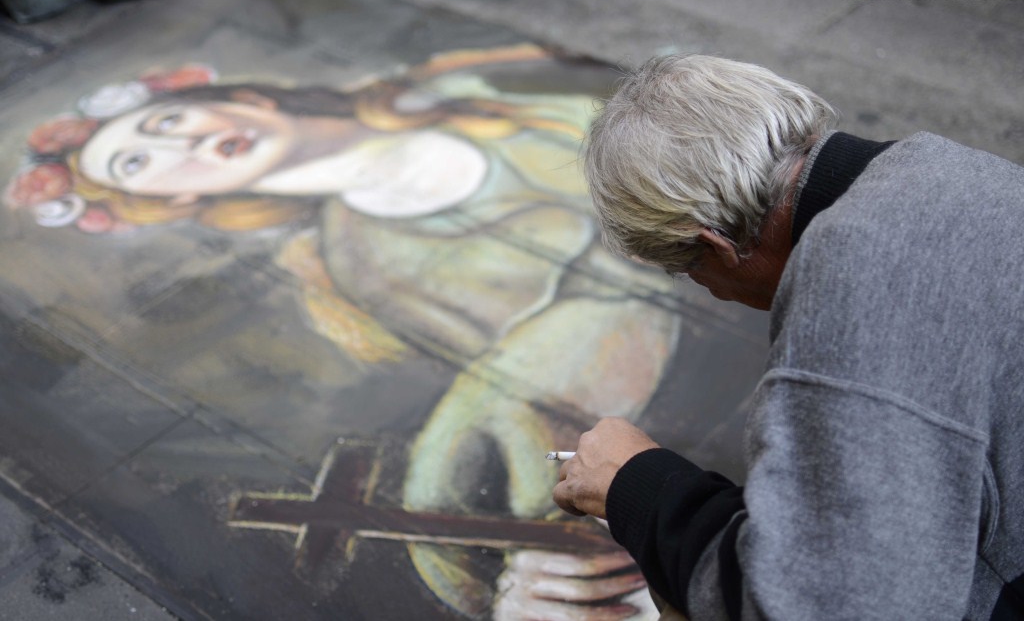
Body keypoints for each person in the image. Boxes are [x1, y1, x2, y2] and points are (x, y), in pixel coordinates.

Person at [6, 49, 680, 619]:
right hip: (629, 418)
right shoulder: (347, 267)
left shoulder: (454, 83)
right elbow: (500, 400)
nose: (182, 145)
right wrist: (516, 556)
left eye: (166, 120)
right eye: (139, 164)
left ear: (245, 99)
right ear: (175, 203)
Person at [554, 54, 1024, 620]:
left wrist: (639, 489)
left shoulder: (852, 284)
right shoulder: (953, 169)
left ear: (716, 247)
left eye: (691, 275)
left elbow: (819, 604)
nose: (710, 292)